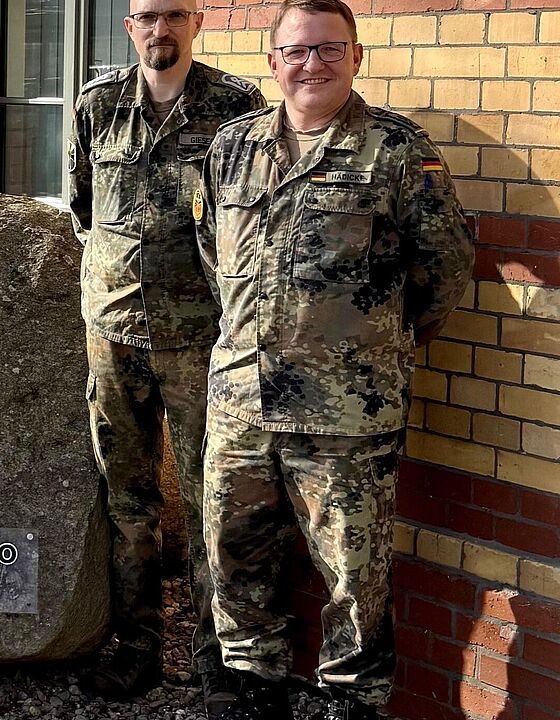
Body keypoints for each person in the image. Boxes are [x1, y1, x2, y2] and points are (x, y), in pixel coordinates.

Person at [194, 1, 473, 718]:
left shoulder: (397, 151)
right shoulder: (232, 147)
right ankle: (250, 684)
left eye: (328, 49)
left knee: (354, 575)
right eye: (295, 50)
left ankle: (351, 699)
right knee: (234, 554)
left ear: (356, 56)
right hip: (241, 401)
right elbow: (213, 259)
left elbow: (443, 268)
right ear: (273, 62)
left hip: (347, 412)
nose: (311, 64)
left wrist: (374, 344)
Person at [66, 0, 266, 712]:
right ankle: (138, 648)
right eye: (147, 16)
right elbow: (83, 207)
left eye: (175, 15)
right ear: (130, 27)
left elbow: (251, 215)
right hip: (114, 333)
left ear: (197, 23)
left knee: (215, 499)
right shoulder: (98, 105)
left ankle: (218, 663)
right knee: (128, 500)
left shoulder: (237, 106)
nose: (161, 29)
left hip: (201, 340)